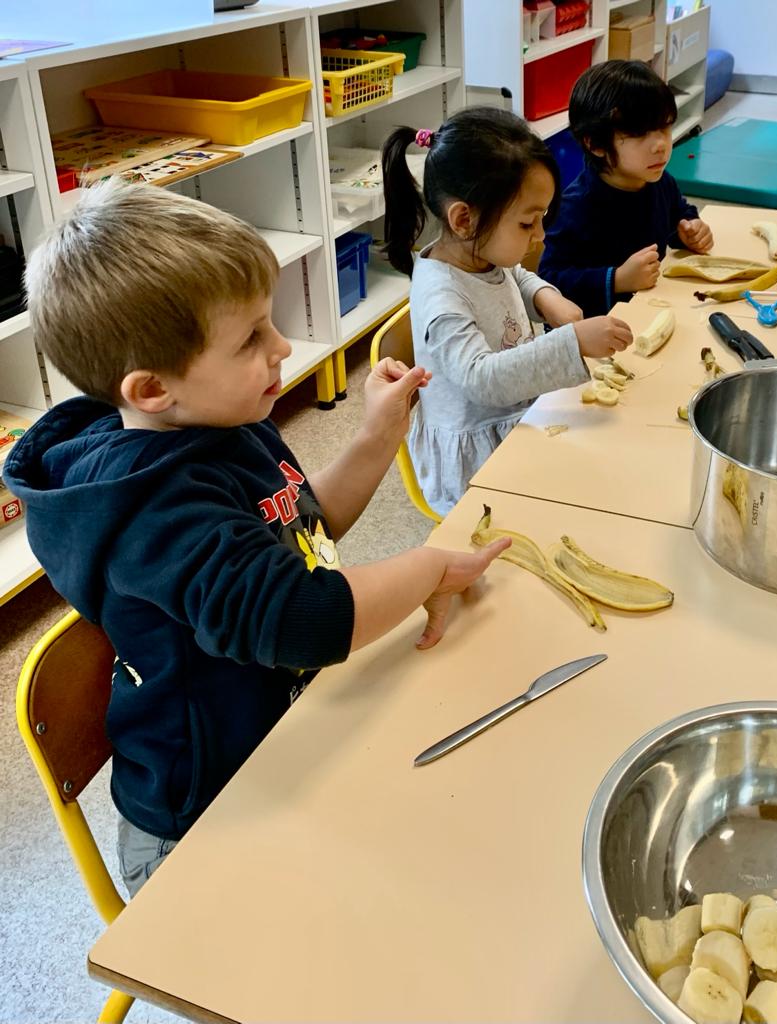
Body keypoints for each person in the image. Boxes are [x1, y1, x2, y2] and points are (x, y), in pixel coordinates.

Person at [3, 181, 510, 895]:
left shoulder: (221, 422)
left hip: (281, 745)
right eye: (250, 339)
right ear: (152, 390)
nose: (282, 347)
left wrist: (373, 440)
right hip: (201, 825)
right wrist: (426, 568)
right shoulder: (156, 510)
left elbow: (299, 531)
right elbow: (300, 616)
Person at [382, 107, 632, 516]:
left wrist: (547, 298)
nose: (540, 236)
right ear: (464, 219)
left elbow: (513, 275)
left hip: (517, 415)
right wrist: (571, 343)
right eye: (527, 223)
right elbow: (482, 380)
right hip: (474, 464)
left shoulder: (481, 253)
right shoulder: (440, 297)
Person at [538, 60, 714, 317]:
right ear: (596, 144)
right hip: (599, 334)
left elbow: (679, 214)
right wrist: (617, 279)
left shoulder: (660, 182)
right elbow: (549, 281)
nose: (660, 145)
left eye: (664, 127)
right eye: (640, 133)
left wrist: (690, 229)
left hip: (652, 311)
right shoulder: (574, 207)